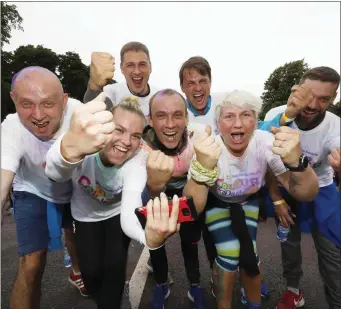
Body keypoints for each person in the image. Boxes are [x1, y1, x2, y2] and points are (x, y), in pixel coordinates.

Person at [183, 90, 319, 309]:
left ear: (256, 122)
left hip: (248, 201)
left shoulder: (264, 143)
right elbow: (192, 206)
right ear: (218, 124)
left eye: (246, 115)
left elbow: (306, 192)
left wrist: (298, 164)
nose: (238, 124)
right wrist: (202, 169)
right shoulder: (209, 149)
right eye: (229, 117)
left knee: (250, 252)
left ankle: (252, 302)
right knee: (229, 254)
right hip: (217, 202)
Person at [45, 93, 181, 308]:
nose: (127, 142)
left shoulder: (137, 160)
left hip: (116, 215)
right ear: (105, 127)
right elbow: (55, 173)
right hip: (85, 217)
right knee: (91, 276)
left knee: (114, 273)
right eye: (119, 130)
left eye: (136, 135)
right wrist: (69, 150)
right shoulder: (85, 143)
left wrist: (148, 238)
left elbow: (129, 216)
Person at [0, 66, 87, 309]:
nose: (38, 115)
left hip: (75, 189)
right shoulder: (11, 128)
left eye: (48, 104)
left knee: (74, 239)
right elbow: (3, 177)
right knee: (31, 264)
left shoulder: (80, 115)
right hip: (32, 189)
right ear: (13, 99)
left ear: (64, 101)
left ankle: (77, 271)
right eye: (26, 104)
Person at [264, 67, 341, 309]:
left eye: (324, 99)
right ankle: (293, 291)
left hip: (323, 187)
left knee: (332, 253)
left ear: (334, 98)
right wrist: (276, 200)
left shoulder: (334, 127)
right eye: (309, 95)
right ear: (296, 89)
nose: (312, 104)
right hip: (286, 185)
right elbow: (265, 161)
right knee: (289, 242)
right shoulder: (278, 115)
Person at [84, 41, 158, 119]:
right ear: (122, 68)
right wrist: (94, 86)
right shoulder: (111, 91)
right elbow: (93, 109)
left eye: (142, 64)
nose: (137, 71)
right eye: (130, 65)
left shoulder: (160, 97)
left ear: (150, 67)